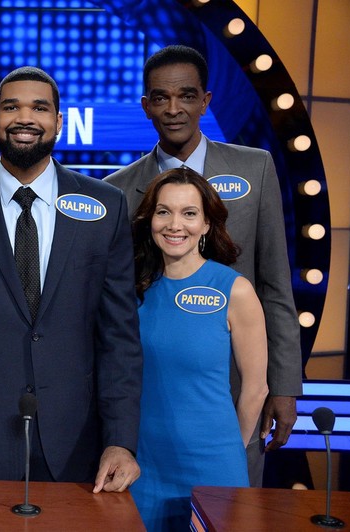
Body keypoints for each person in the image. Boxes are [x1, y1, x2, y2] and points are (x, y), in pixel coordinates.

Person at [0, 66, 143, 493]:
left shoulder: (105, 205)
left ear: (59, 121)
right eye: (10, 106)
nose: (25, 118)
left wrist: (121, 441)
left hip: (78, 446)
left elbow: (120, 338)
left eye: (40, 107)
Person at [105, 44, 302, 486]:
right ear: (146, 106)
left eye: (187, 96)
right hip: (154, 389)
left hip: (239, 381)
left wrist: (284, 384)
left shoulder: (255, 168)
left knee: (226, 507)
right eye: (160, 98)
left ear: (205, 101)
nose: (174, 109)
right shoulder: (117, 189)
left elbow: (275, 283)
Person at [129, 167, 269, 530]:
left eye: (189, 213)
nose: (175, 225)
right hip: (142, 465)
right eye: (164, 212)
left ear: (207, 224)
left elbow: (256, 389)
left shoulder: (234, 290)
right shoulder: (131, 289)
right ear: (150, 219)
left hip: (213, 466)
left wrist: (228, 450)